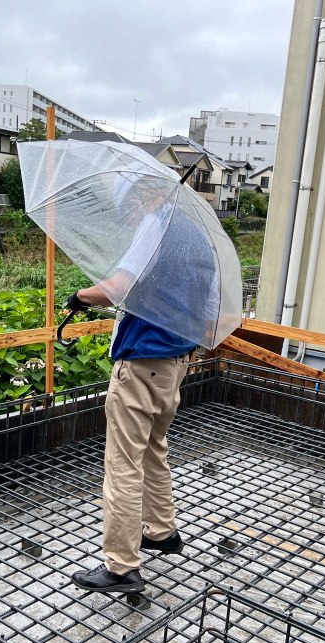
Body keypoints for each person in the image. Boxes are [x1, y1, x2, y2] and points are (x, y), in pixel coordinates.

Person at [67, 178, 217, 594]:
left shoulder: (156, 224)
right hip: (176, 364)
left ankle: (121, 567)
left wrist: (80, 296)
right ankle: (162, 530)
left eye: (128, 212)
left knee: (122, 464)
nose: (131, 221)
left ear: (142, 199)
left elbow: (117, 288)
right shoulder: (201, 242)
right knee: (153, 449)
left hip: (141, 364)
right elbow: (208, 316)